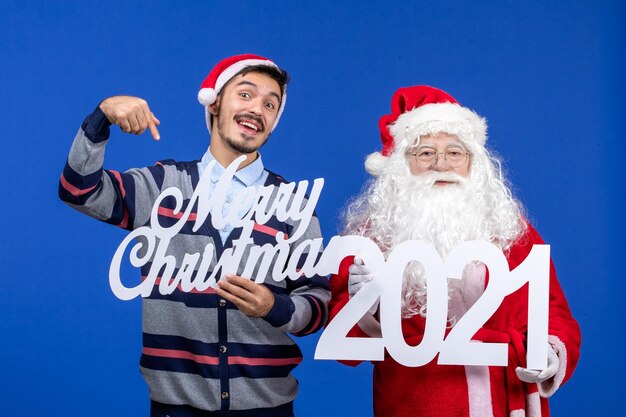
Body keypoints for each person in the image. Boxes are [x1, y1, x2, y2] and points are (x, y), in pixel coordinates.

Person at [59, 54, 330, 417]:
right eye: (245, 95)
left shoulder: (292, 204)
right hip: (175, 408)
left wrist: (274, 307)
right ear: (215, 102)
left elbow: (318, 305)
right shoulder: (161, 187)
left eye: (270, 103)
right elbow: (78, 190)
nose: (257, 110)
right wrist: (102, 117)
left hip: (269, 407)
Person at [328, 86, 580, 417]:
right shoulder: (372, 237)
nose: (441, 165)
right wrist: (367, 306)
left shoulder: (511, 230)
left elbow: (553, 310)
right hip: (416, 403)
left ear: (473, 162)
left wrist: (548, 352)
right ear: (402, 165)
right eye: (426, 153)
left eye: (455, 153)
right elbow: (346, 349)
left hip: (504, 399)